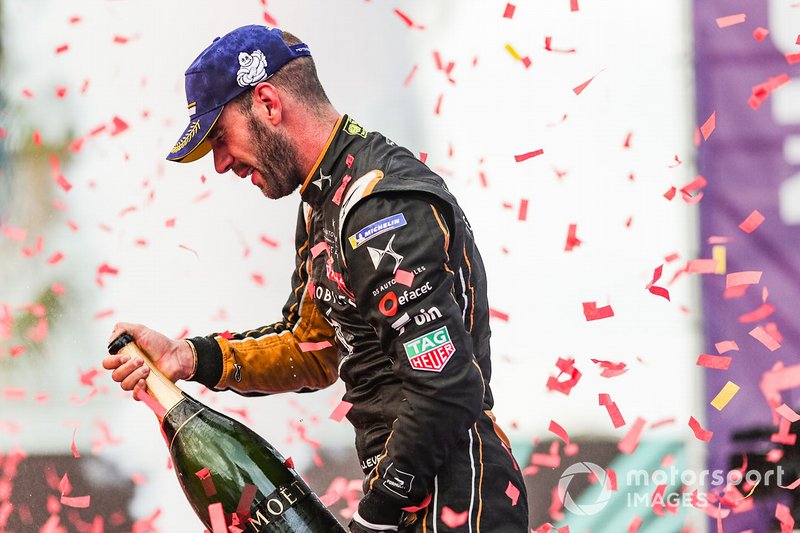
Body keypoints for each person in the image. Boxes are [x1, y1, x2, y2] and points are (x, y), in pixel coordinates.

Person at [102, 25, 529, 532]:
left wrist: (375, 517)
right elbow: (312, 347)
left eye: (220, 137)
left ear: (267, 103)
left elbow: (447, 387)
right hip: (412, 497)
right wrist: (189, 357)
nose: (219, 164)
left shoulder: (376, 206)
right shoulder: (323, 206)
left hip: (457, 496)